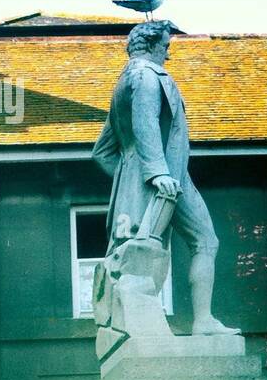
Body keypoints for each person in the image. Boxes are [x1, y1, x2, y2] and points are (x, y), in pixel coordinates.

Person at [91, 18, 234, 336]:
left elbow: (102, 152)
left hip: (169, 179)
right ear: (153, 45)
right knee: (147, 256)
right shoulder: (146, 75)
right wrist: (153, 174)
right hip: (164, 179)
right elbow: (146, 122)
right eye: (166, 47)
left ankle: (203, 322)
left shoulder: (123, 82)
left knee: (202, 242)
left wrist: (128, 178)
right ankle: (168, 325)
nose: (168, 55)